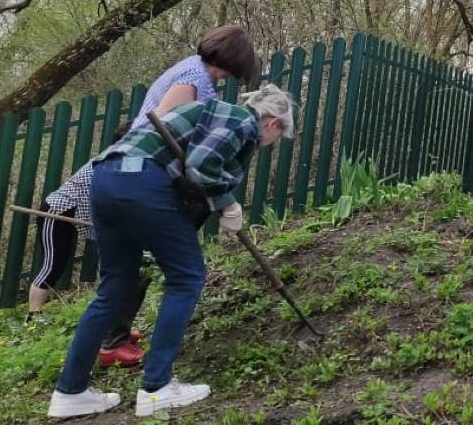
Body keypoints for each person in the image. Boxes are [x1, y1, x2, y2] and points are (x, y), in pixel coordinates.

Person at [47, 86, 296, 419]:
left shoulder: (213, 113)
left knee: (114, 288)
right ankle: (156, 388)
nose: (271, 143)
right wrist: (228, 204)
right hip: (145, 181)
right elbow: (202, 164)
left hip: (106, 177)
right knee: (186, 278)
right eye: (277, 137)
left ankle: (70, 393)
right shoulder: (240, 120)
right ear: (273, 123)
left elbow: (190, 172)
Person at [27, 124, 148, 368]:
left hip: (84, 214)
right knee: (54, 264)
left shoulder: (126, 164)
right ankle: (33, 316)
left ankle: (114, 329)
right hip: (58, 212)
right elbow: (99, 199)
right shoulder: (106, 164)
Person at [131, 25, 259, 129]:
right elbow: (167, 123)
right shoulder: (195, 75)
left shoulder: (198, 69)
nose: (233, 74)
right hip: (144, 148)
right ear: (232, 59)